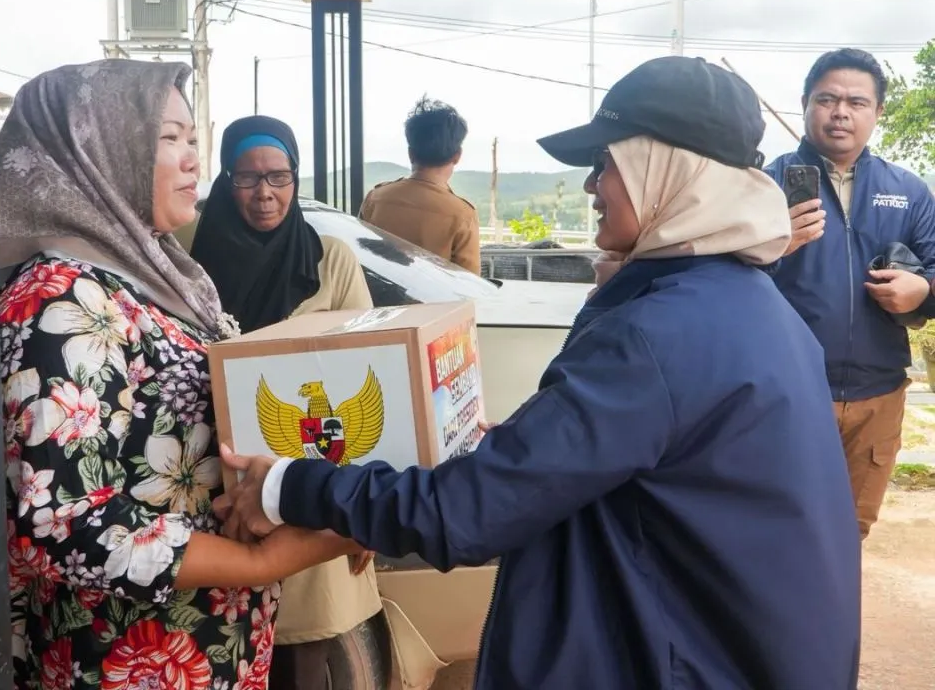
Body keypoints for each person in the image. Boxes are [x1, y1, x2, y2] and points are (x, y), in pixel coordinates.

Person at [215, 56, 862, 690]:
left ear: (665, 169)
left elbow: (468, 514)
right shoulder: (754, 304)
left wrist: (287, 485)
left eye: (605, 163)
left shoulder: (655, 333)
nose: (591, 187)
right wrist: (526, 445)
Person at [0, 59, 362, 690]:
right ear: (100, 151)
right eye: (168, 138)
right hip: (130, 657)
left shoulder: (160, 280)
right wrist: (259, 561)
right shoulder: (63, 297)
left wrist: (332, 497)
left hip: (204, 643)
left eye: (193, 138)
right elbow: (62, 522)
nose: (193, 159)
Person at [191, 115, 386, 687]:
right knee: (213, 645)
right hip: (209, 481)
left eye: (279, 176)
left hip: (307, 476)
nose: (265, 193)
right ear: (226, 180)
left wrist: (362, 501)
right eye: (247, 178)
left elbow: (367, 367)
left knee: (302, 653)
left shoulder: (330, 260)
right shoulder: (186, 256)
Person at [764, 47, 935, 540]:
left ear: (877, 111)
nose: (841, 112)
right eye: (827, 99)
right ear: (805, 104)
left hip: (877, 396)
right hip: (784, 394)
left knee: (849, 532)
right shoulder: (764, 186)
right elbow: (719, 277)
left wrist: (923, 290)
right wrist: (773, 248)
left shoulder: (908, 191)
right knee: (776, 528)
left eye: (857, 102)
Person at [358, 97, 480, 275]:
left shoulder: (376, 198)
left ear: (410, 153)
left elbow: (361, 257)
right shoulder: (462, 214)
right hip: (434, 294)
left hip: (374, 293)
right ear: (457, 156)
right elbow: (470, 281)